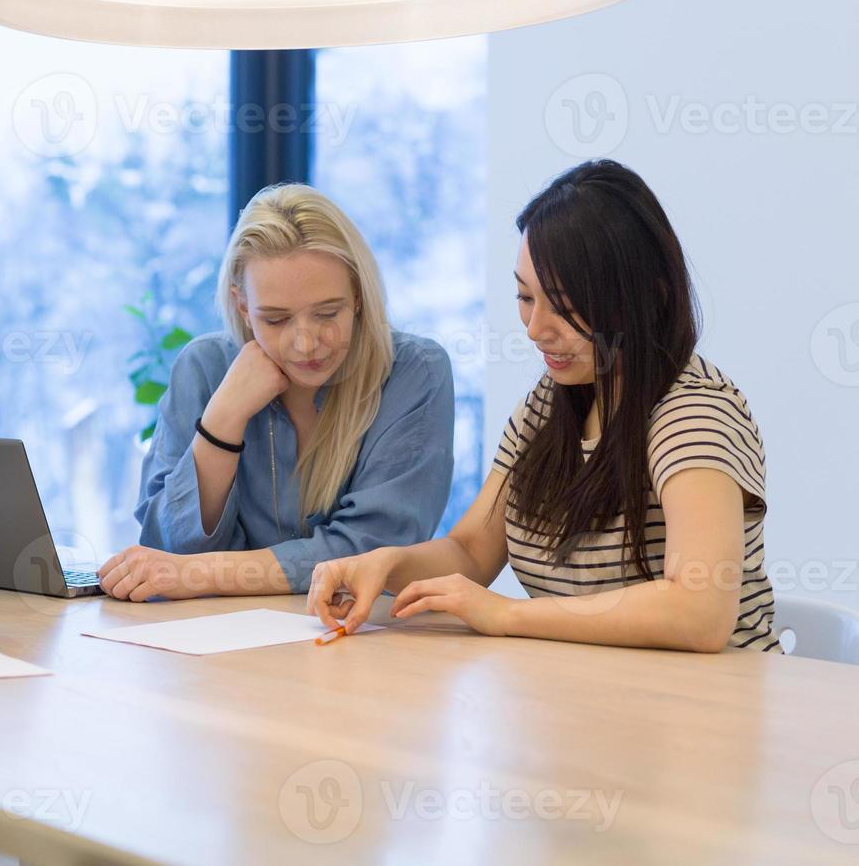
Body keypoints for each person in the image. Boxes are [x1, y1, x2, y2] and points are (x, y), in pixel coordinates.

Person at [308, 160, 779, 653]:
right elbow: (471, 551)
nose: (535, 328)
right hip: (592, 705)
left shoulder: (693, 414)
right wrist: (385, 563)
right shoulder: (550, 404)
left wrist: (507, 612)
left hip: (708, 713)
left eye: (563, 304)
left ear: (647, 295)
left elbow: (698, 613)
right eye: (525, 296)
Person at [101, 183, 455, 601]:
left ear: (358, 296)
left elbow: (371, 548)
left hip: (364, 642)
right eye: (276, 320)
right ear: (242, 307)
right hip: (219, 643)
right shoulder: (205, 368)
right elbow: (165, 549)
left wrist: (200, 574)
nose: (305, 344)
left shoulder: (415, 372)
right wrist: (223, 419)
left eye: (327, 313)